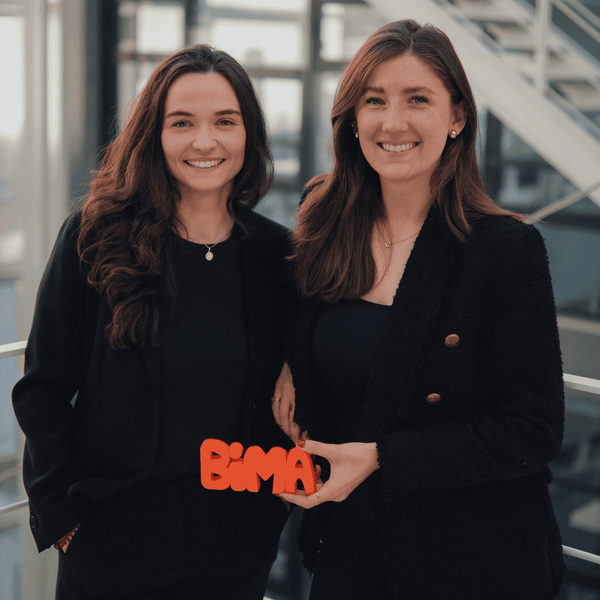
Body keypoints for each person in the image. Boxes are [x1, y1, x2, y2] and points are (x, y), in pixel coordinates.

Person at [272, 19, 565, 600]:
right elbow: (308, 320)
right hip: (348, 539)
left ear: (457, 117)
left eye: (417, 99)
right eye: (374, 100)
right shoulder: (323, 214)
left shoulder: (504, 250)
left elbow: (531, 431)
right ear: (352, 119)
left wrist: (382, 458)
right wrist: (290, 362)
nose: (393, 122)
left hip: (468, 555)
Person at [13, 44, 293, 600]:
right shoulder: (94, 239)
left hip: (236, 542)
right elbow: (43, 389)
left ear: (249, 135)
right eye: (182, 122)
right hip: (112, 539)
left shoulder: (277, 256)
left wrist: (275, 506)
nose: (205, 141)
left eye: (225, 122)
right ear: (154, 135)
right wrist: (62, 517)